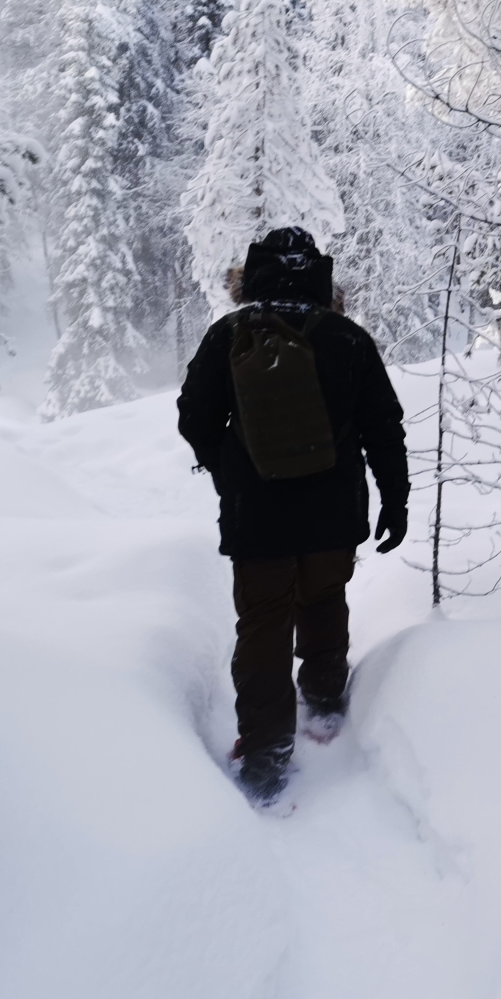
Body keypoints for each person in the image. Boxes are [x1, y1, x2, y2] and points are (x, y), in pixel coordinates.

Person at [177, 228, 409, 800]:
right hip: (335, 512)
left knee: (262, 625)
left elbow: (194, 417)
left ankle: (264, 752)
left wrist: (229, 468)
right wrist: (395, 499)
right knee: (324, 598)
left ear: (252, 277)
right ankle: (325, 701)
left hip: (256, 517)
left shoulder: (228, 336)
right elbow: (384, 427)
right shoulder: (348, 338)